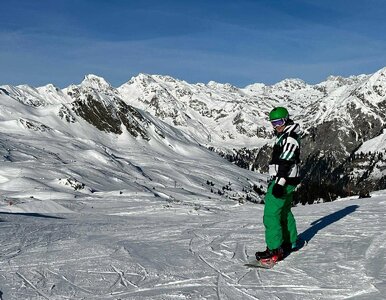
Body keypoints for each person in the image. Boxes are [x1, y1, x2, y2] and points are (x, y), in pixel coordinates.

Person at [255, 106, 301, 263]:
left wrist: (279, 183)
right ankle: (290, 242)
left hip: (284, 180)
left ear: (286, 119)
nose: (277, 126)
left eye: (279, 122)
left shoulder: (290, 137)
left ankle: (275, 249)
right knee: (284, 211)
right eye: (273, 123)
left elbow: (286, 161)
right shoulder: (286, 135)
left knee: (271, 214)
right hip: (289, 180)